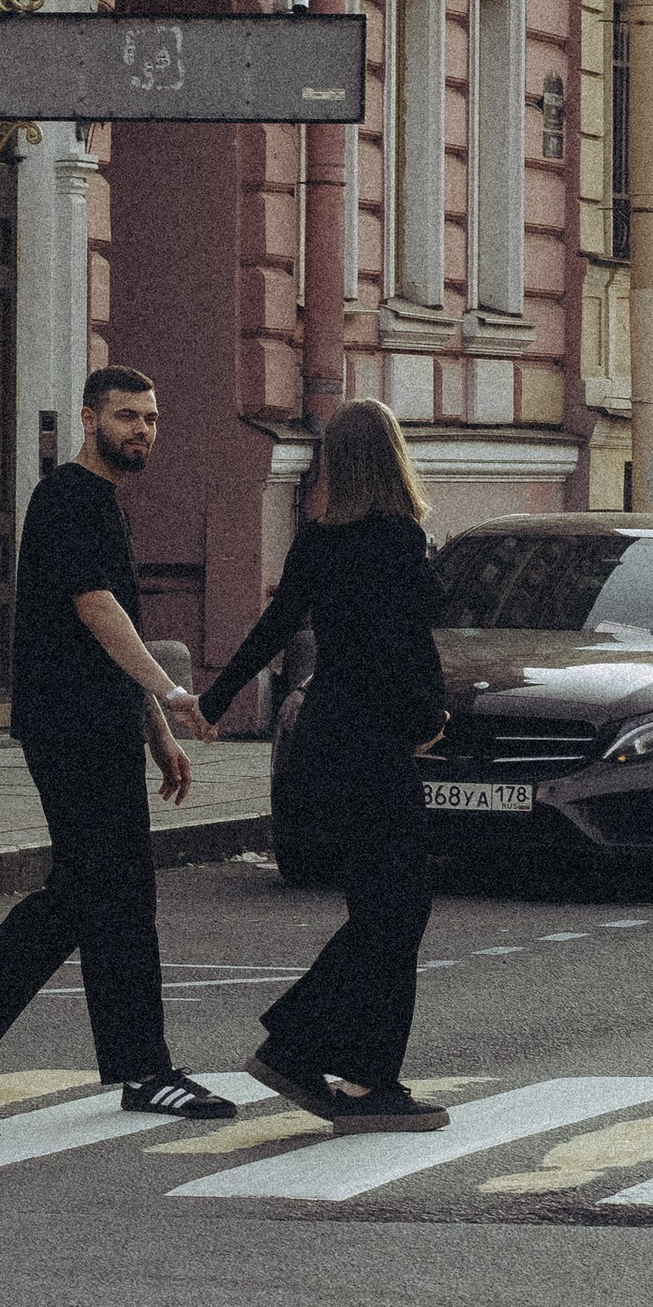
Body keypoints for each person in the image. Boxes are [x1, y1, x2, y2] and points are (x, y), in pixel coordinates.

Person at [0, 366, 238, 1124]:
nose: (142, 431)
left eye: (151, 419)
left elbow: (115, 631)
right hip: (70, 727)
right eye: (127, 417)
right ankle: (140, 1069)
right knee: (115, 892)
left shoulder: (103, 503)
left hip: (99, 724)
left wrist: (156, 733)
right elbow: (98, 611)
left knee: (90, 891)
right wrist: (172, 693)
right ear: (90, 420)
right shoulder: (65, 498)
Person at [198, 400, 451, 1136]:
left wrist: (214, 699)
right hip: (376, 740)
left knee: (381, 910)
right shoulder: (399, 538)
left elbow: (274, 627)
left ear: (337, 464)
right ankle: (324, 1059)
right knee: (399, 908)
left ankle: (349, 1066)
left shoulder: (317, 540)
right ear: (394, 458)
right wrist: (430, 719)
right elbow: (409, 647)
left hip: (326, 736)